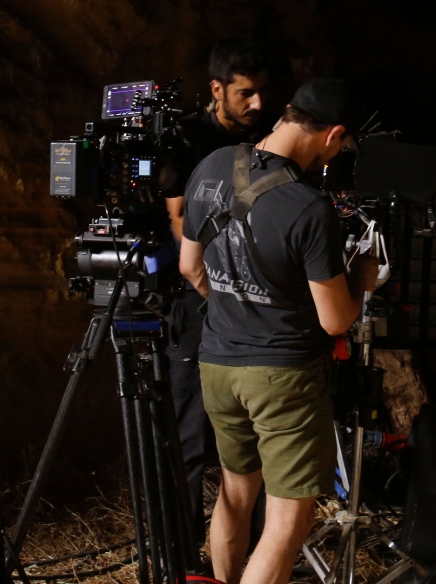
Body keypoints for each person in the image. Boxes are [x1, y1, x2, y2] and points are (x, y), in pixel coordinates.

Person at [178, 79, 373, 584]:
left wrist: (236, 308)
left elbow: (189, 267)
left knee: (234, 495)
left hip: (217, 364)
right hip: (282, 375)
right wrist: (361, 279)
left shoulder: (212, 166)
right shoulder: (308, 207)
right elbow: (335, 319)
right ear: (333, 135)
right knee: (289, 518)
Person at [164, 37, 270, 548]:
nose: (257, 105)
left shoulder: (264, 137)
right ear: (216, 89)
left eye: (262, 94)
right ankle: (184, 555)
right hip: (197, 299)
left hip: (250, 300)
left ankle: (251, 553)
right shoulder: (186, 139)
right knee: (188, 433)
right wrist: (217, 294)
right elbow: (179, 225)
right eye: (245, 93)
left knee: (254, 437)